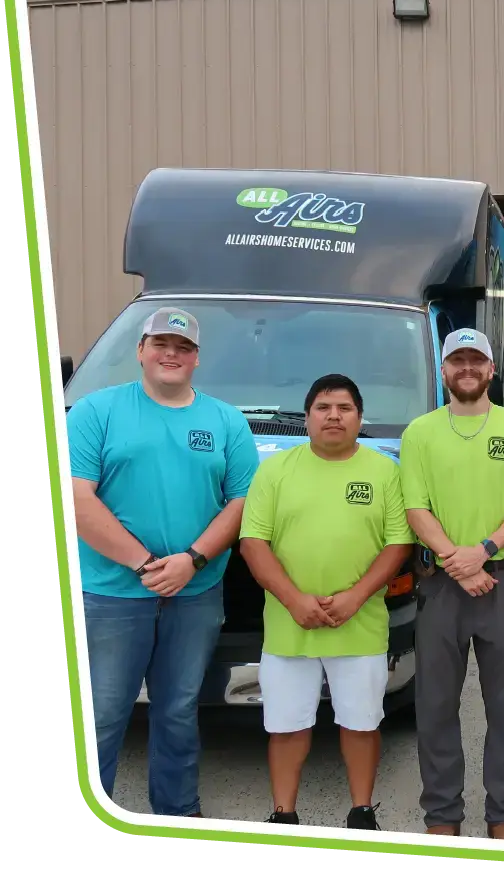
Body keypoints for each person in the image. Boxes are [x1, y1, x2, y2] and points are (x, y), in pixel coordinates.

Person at [67, 307, 260, 818]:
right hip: (111, 594)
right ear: (141, 351)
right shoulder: (94, 412)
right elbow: (75, 498)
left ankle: (176, 813)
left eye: (183, 348)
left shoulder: (226, 420)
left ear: (197, 358)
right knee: (104, 713)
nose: (170, 354)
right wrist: (147, 564)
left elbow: (241, 502)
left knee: (177, 710)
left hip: (194, 594)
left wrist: (192, 561)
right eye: (161, 344)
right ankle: (86, 812)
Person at [239, 374, 414, 831]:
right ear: (308, 416)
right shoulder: (275, 471)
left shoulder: (385, 472)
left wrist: (356, 597)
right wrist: (294, 600)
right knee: (286, 725)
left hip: (359, 623)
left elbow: (398, 545)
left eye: (344, 408)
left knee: (361, 723)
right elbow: (253, 543)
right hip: (289, 624)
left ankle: (361, 812)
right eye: (322, 407)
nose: (333, 415)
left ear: (359, 417)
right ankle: (283, 813)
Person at [399, 328, 504, 840]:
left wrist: (480, 553)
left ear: (490, 370)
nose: (466, 369)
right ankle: (443, 814)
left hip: (499, 582)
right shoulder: (419, 432)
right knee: (436, 704)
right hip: (441, 586)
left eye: (475, 360)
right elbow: (415, 506)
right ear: (443, 371)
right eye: (456, 360)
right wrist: (454, 560)